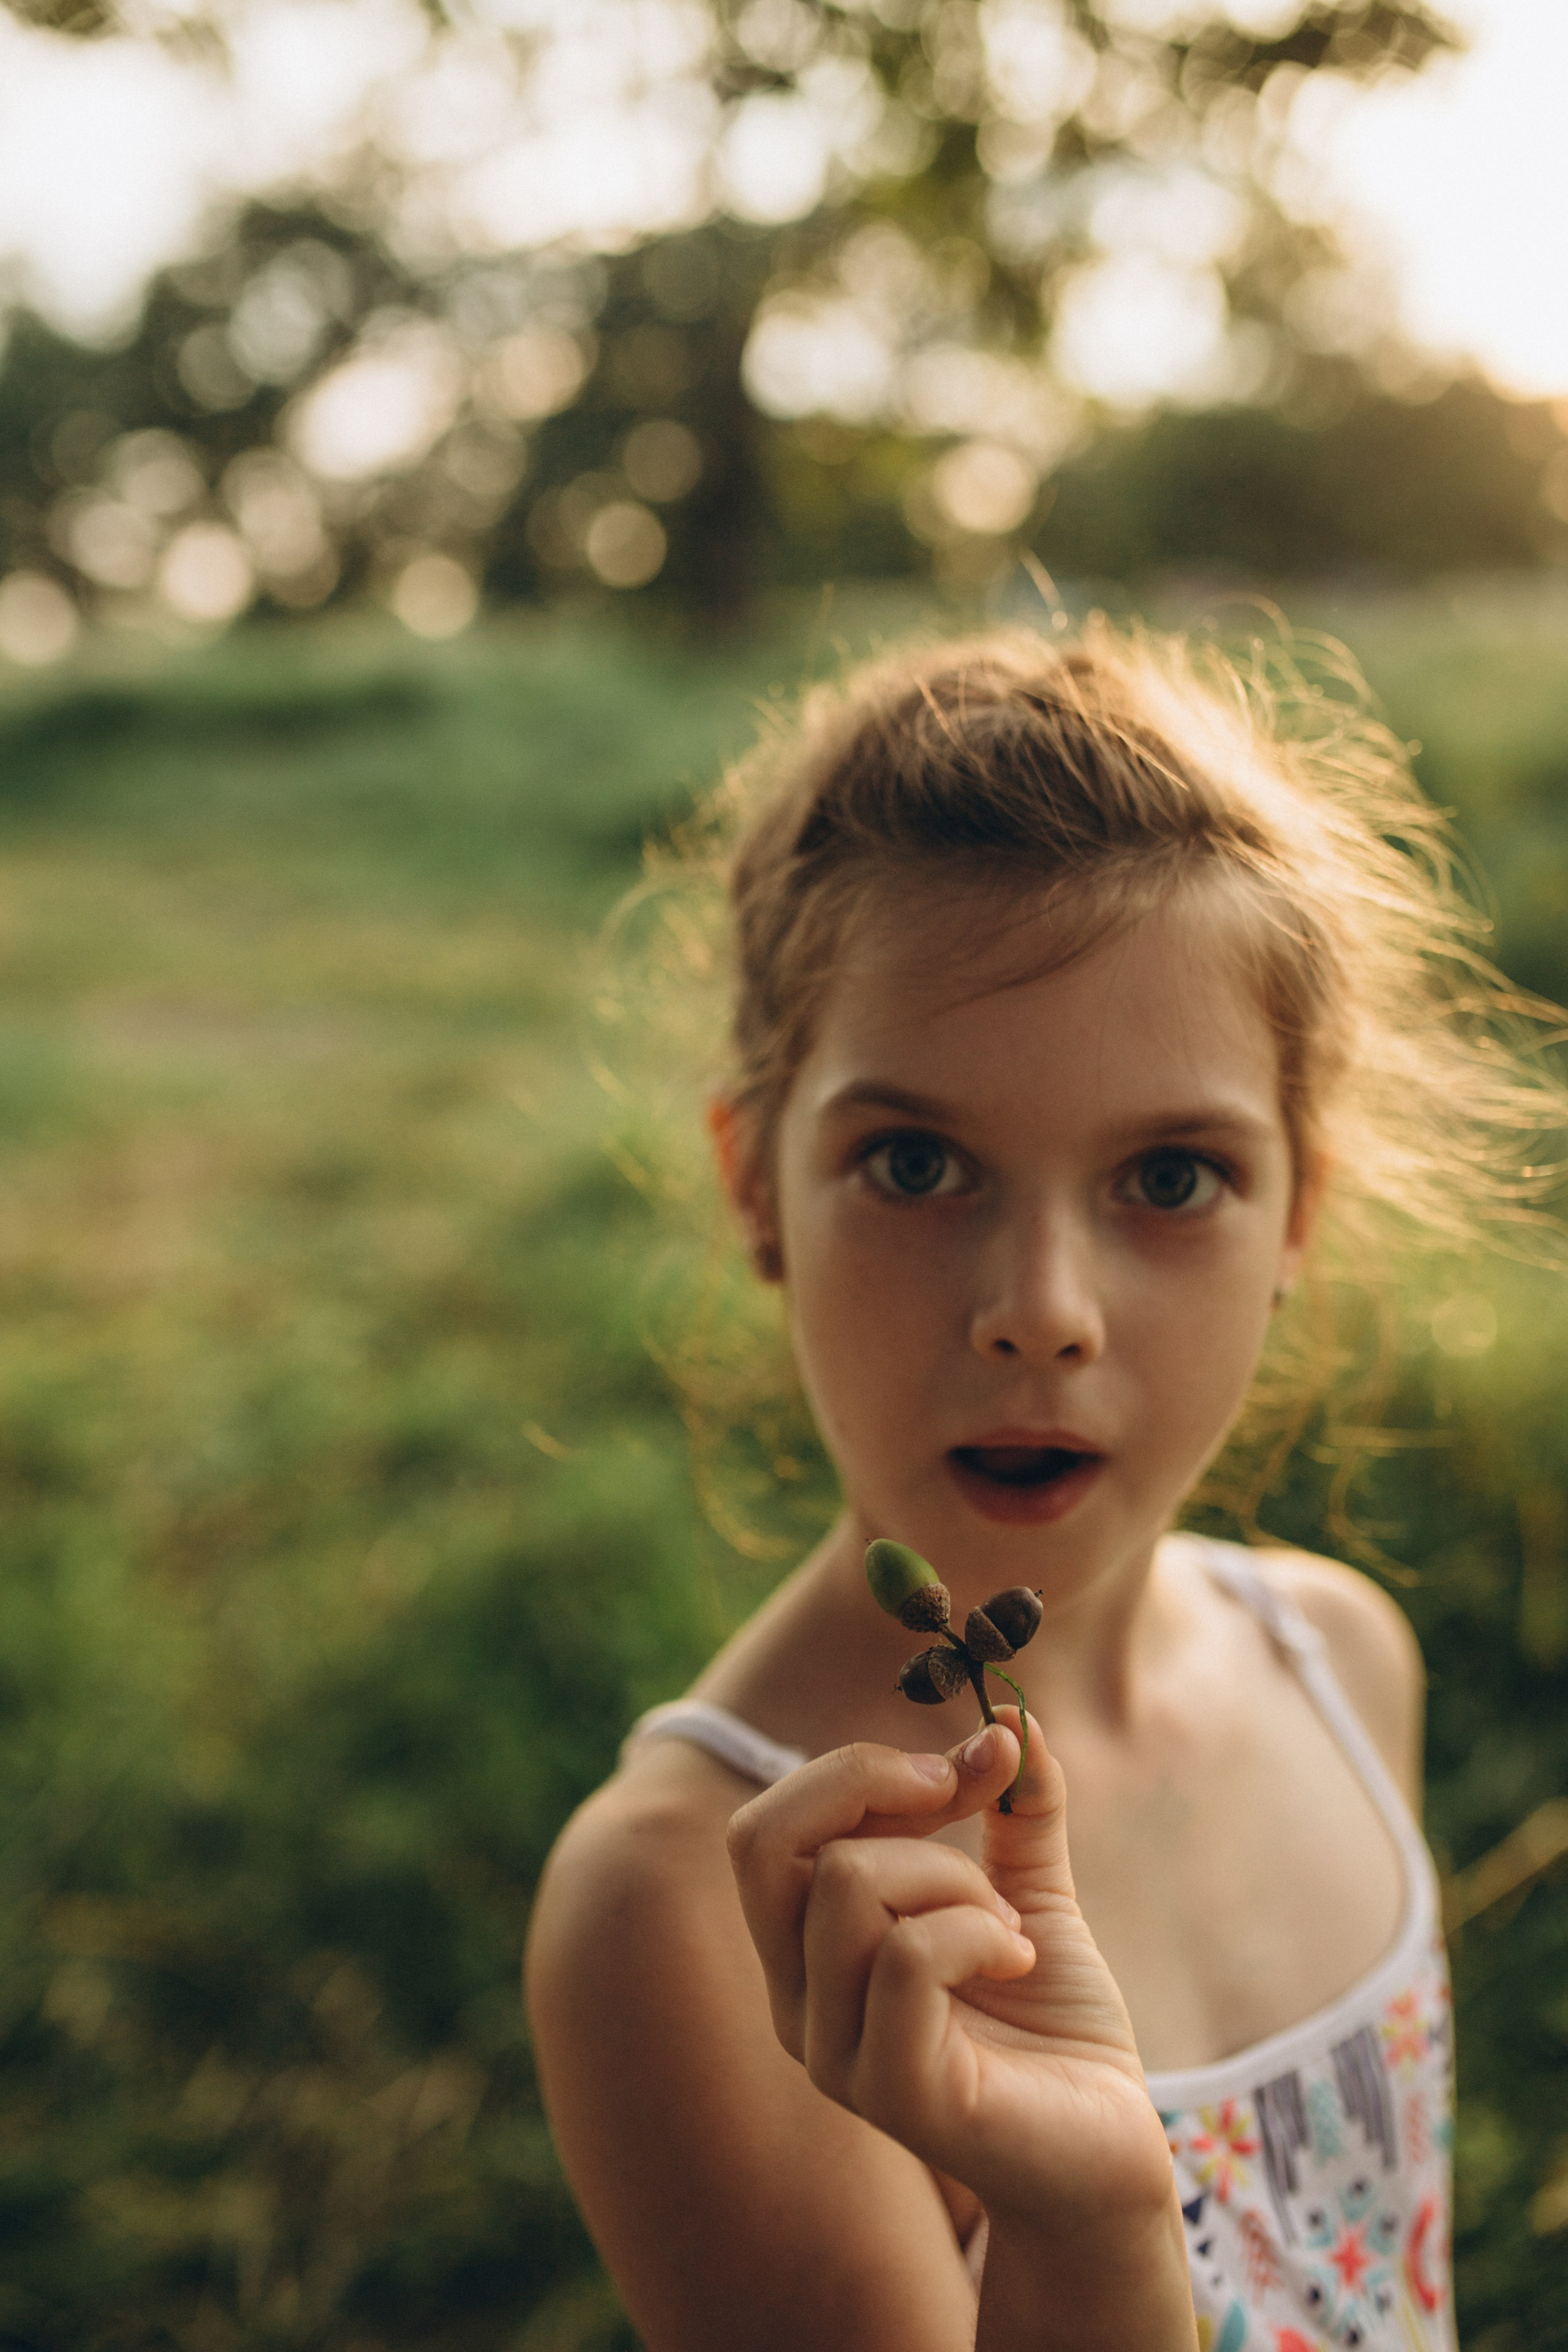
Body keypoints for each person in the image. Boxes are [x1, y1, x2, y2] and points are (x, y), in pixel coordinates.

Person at [527, 622, 1558, 2352]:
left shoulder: (1342, 1659)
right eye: (917, 1164)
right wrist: (1082, 2220)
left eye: (1172, 1174)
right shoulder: (694, 1910)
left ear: (1300, 1209)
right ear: (758, 1187)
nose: (1041, 1312)